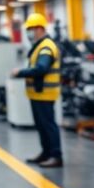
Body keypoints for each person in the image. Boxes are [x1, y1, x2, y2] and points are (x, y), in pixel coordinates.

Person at [12, 13, 63, 168]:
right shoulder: (39, 46)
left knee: (48, 125)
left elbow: (41, 68)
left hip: (45, 94)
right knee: (41, 125)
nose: (29, 33)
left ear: (40, 29)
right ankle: (46, 153)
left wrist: (20, 73)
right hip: (38, 93)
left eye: (31, 29)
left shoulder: (46, 47)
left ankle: (56, 155)